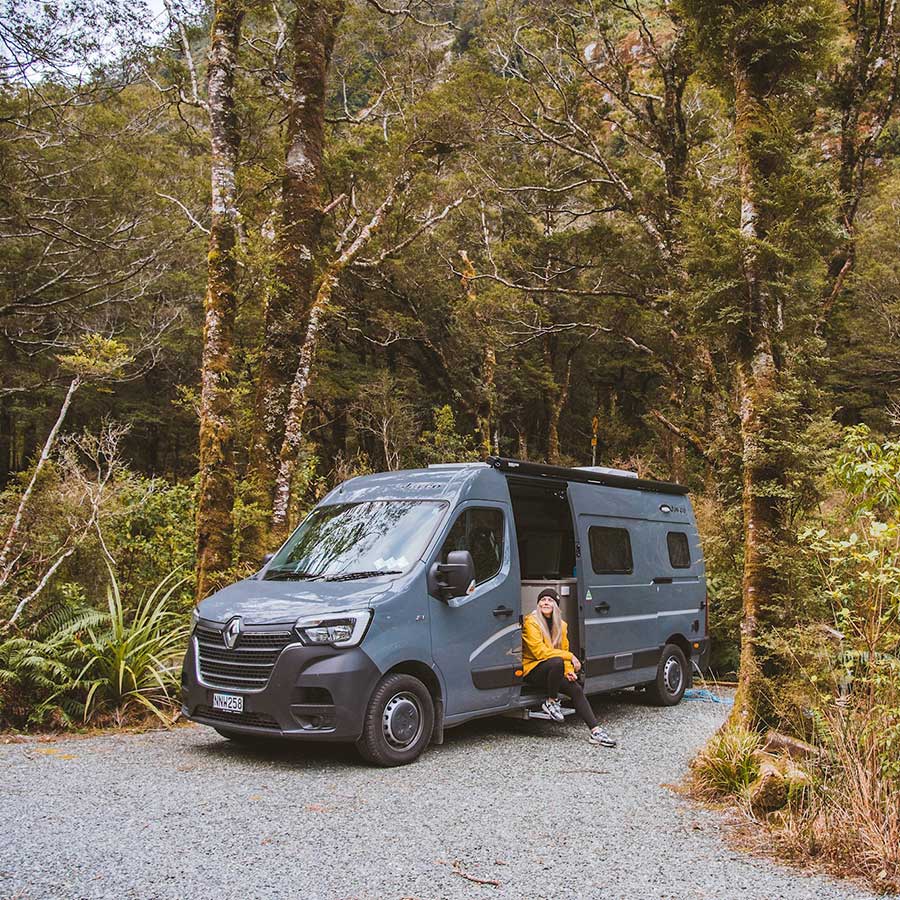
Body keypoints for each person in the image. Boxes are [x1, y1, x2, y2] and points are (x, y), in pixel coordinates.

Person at [521, 588, 617, 747]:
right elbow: (539, 652)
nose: (545, 603)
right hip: (533, 670)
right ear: (538, 604)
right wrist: (571, 657)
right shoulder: (531, 622)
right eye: (542, 600)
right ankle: (551, 701)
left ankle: (595, 731)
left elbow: (563, 650)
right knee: (557, 661)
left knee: (575, 688)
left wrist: (569, 671)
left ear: (556, 606)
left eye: (550, 600)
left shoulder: (562, 626)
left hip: (554, 671)